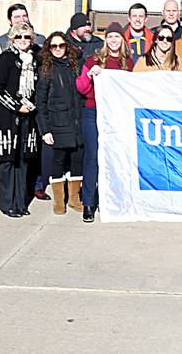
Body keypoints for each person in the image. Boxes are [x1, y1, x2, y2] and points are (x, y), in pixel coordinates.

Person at [76, 22, 132, 223]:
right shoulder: (94, 60)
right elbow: (81, 88)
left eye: (117, 37)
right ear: (106, 40)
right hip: (93, 112)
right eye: (110, 37)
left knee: (116, 156)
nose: (114, 40)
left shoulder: (128, 63)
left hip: (116, 115)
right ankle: (89, 202)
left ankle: (114, 198)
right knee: (93, 156)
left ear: (122, 40)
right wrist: (90, 75)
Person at [0, 21, 40, 218]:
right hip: (8, 115)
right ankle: (6, 203)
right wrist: (17, 106)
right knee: (8, 159)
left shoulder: (34, 60)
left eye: (26, 37)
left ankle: (21, 202)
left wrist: (32, 105)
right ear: (12, 38)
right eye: (18, 36)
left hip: (30, 115)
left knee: (24, 159)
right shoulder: (6, 59)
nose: (22, 40)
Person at [35, 32, 84, 215]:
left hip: (76, 121)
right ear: (49, 48)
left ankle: (73, 198)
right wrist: (45, 129)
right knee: (58, 161)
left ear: (66, 46)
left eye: (61, 45)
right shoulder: (46, 70)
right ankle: (58, 201)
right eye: (53, 46)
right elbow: (41, 103)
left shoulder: (75, 66)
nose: (57, 49)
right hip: (57, 123)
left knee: (77, 160)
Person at [0, 3, 45, 90]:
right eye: (17, 17)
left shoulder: (40, 41)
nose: (22, 20)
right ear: (9, 21)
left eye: (24, 16)